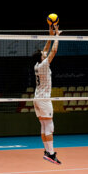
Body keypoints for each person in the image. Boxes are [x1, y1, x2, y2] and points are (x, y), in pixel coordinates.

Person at [32, 24, 62, 165]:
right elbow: (53, 50)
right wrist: (57, 36)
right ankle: (51, 153)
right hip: (43, 100)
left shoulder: (37, 65)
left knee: (44, 126)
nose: (45, 53)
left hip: (37, 99)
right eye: (44, 54)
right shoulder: (44, 65)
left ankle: (46, 151)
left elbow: (46, 49)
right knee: (49, 126)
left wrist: (50, 35)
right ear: (42, 58)